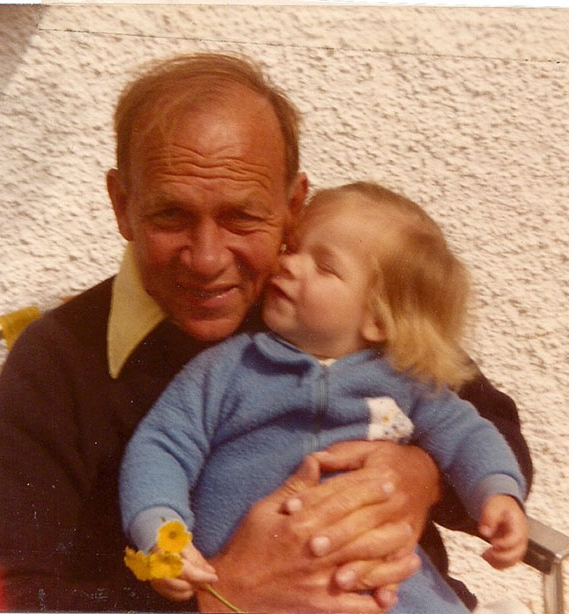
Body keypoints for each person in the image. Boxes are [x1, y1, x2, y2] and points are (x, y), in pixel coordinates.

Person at [0, 53, 532, 612]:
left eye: (242, 217)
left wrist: (420, 477)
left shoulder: (326, 310)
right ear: (122, 205)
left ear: (293, 205)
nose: (206, 259)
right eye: (170, 214)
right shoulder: (59, 359)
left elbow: (489, 428)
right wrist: (221, 597)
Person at [120, 182, 529, 614]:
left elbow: (468, 436)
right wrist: (160, 531)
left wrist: (497, 494)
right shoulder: (227, 369)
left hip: (385, 590)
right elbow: (161, 447)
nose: (289, 263)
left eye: (325, 267)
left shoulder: (407, 382)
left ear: (378, 318)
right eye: (294, 248)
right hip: (257, 594)